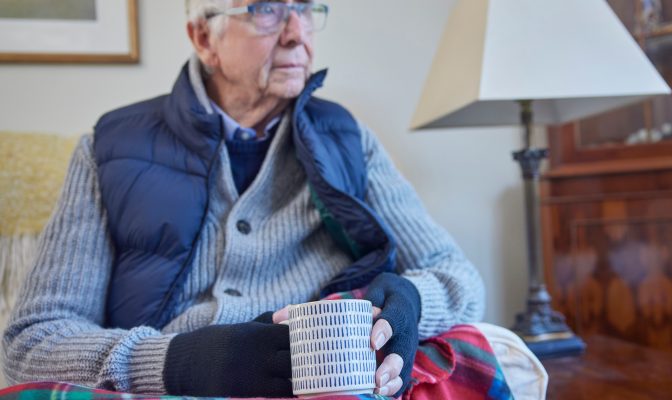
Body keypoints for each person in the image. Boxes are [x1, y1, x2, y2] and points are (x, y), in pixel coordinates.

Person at [1, 0, 485, 398]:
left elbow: (459, 275)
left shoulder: (349, 140)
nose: (298, 33)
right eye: (266, 9)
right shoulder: (109, 149)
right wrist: (178, 362)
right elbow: (32, 340)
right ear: (204, 38)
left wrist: (413, 298)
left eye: (306, 8)